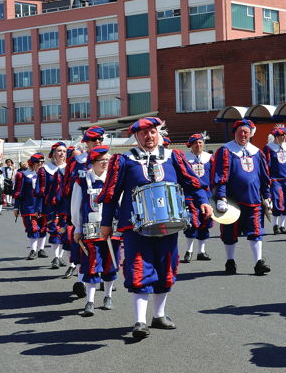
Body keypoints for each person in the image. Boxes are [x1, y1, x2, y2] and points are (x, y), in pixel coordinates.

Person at [98, 117, 210, 339]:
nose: (148, 137)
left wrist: (203, 200)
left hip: (169, 223)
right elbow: (111, 195)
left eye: (152, 132)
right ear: (136, 137)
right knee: (139, 268)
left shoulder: (173, 157)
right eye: (143, 133)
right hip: (135, 226)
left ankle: (159, 315)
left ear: (159, 133)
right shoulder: (124, 160)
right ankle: (140, 321)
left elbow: (192, 182)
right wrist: (105, 223)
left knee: (165, 268)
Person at [212, 119, 272, 276]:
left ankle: (258, 263)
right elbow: (221, 175)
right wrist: (221, 197)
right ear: (235, 133)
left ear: (250, 134)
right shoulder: (226, 151)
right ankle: (230, 261)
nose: (243, 134)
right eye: (240, 132)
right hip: (232, 203)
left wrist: (267, 196)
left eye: (246, 132)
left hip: (254, 201)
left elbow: (264, 176)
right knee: (229, 234)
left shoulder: (257, 152)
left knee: (256, 232)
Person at [71, 145, 120, 316]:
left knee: (110, 264)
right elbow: (75, 207)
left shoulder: (114, 180)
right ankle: (90, 301)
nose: (106, 163)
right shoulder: (82, 181)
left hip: (112, 229)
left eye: (108, 160)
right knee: (91, 266)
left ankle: (108, 296)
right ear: (93, 162)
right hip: (89, 230)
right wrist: (77, 227)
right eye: (102, 160)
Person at [61, 126, 105, 289]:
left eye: (100, 139)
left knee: (104, 245)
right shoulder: (77, 161)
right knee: (82, 246)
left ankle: (103, 277)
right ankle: (82, 280)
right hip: (82, 210)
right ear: (87, 142)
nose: (98, 142)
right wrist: (66, 211)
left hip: (103, 210)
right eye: (94, 140)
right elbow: (67, 186)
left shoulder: (109, 160)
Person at [262, 124, 286, 234]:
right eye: (280, 135)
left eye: (284, 134)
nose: (283, 137)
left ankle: (282, 226)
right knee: (278, 201)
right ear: (275, 136)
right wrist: (266, 180)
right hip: (275, 180)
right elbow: (265, 166)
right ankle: (275, 225)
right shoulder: (269, 148)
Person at [181, 133, 214, 262]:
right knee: (191, 224)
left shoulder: (209, 158)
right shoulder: (185, 158)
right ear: (191, 145)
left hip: (206, 196)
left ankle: (202, 251)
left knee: (205, 223)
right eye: (196, 143)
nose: (198, 145)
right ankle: (189, 251)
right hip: (190, 196)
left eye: (200, 143)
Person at [35, 142, 67, 266]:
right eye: (59, 151)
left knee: (65, 230)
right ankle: (56, 257)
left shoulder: (69, 168)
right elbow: (39, 190)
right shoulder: (45, 169)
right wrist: (38, 207)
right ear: (53, 153)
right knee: (53, 229)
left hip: (66, 205)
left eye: (64, 151)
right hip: (50, 205)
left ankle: (60, 256)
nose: (62, 153)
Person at [12, 153, 46, 259]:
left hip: (44, 206)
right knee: (33, 228)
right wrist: (16, 207)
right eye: (37, 162)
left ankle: (41, 249)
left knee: (43, 228)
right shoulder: (23, 175)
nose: (40, 164)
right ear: (32, 163)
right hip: (28, 206)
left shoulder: (46, 174)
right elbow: (18, 192)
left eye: (42, 162)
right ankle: (33, 250)